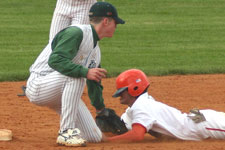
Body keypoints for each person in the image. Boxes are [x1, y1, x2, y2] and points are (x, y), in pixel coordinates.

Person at [25, 1, 125, 147]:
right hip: (39, 84)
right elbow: (55, 60)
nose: (116, 26)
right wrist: (85, 72)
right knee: (78, 76)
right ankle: (66, 132)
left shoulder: (95, 51)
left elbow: (94, 82)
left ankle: (72, 131)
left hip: (59, 90)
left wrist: (101, 109)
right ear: (106, 21)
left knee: (94, 137)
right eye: (115, 22)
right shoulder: (76, 32)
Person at [107, 69, 225, 142]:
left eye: (122, 91)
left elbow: (137, 135)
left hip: (200, 125)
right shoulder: (139, 105)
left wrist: (108, 141)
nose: (119, 95)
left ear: (134, 88)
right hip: (195, 117)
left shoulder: (141, 106)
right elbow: (126, 124)